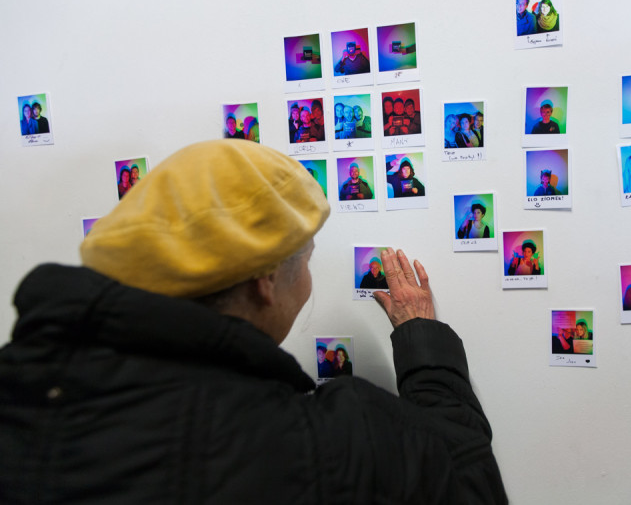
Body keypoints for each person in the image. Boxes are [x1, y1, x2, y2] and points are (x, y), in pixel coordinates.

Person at [0, 139, 507, 503]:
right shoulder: (330, 444)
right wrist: (423, 339)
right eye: (306, 259)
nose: (307, 278)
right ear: (265, 278)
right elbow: (467, 478)